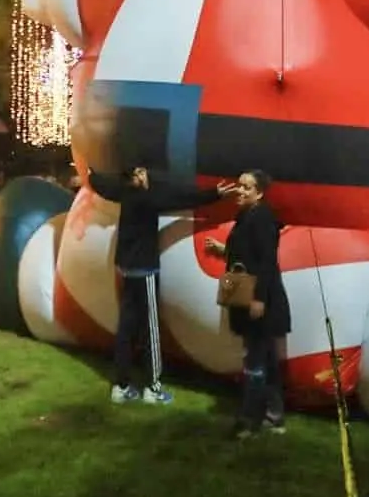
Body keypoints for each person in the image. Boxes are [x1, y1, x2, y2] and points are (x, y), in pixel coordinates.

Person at [86, 164, 236, 405]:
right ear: (135, 178)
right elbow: (180, 197)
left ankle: (121, 386)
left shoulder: (124, 193)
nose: (146, 176)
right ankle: (152, 388)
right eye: (141, 173)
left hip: (127, 268)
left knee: (126, 328)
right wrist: (214, 194)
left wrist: (93, 175)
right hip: (144, 270)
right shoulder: (149, 198)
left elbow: (105, 186)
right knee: (150, 330)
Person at [206, 170, 291, 438]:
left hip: (260, 301)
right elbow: (247, 253)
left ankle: (249, 421)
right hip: (253, 299)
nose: (240, 191)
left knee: (254, 362)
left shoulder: (262, 218)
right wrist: (222, 251)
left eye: (246, 187)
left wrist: (259, 299)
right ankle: (274, 417)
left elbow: (266, 262)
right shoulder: (246, 217)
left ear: (260, 193)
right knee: (264, 359)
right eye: (239, 186)